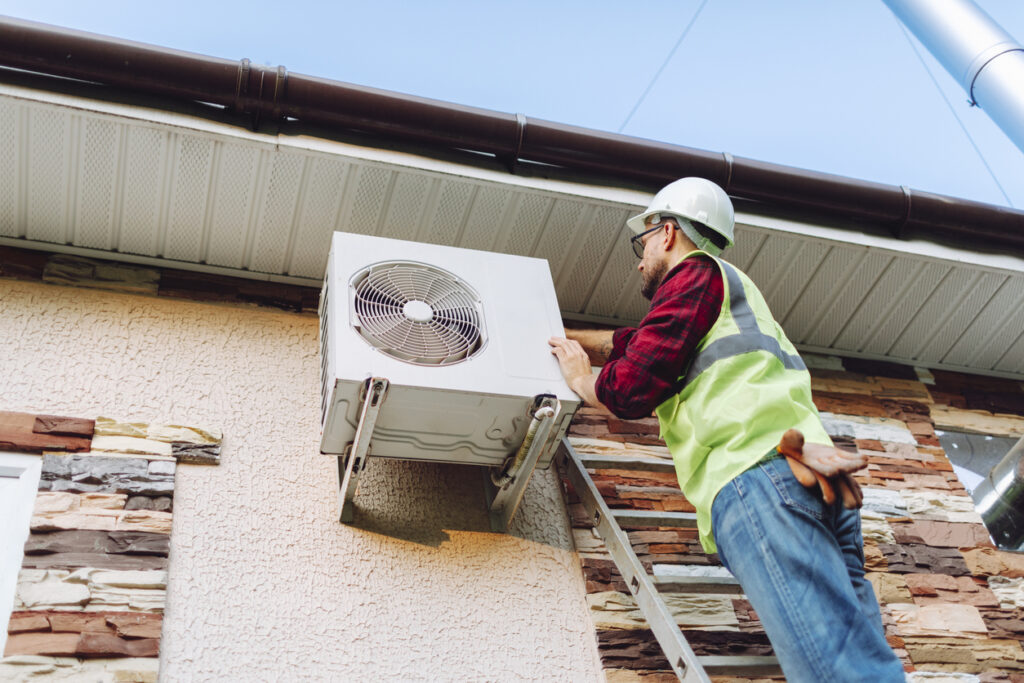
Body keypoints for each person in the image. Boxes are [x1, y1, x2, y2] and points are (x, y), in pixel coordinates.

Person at [548, 177, 904, 682]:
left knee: (833, 672)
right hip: (815, 475)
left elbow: (630, 388)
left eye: (643, 240)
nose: (639, 256)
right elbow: (634, 341)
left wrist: (584, 381)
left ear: (668, 232)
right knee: (860, 660)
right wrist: (560, 334)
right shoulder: (728, 291)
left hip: (758, 476)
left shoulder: (692, 277)